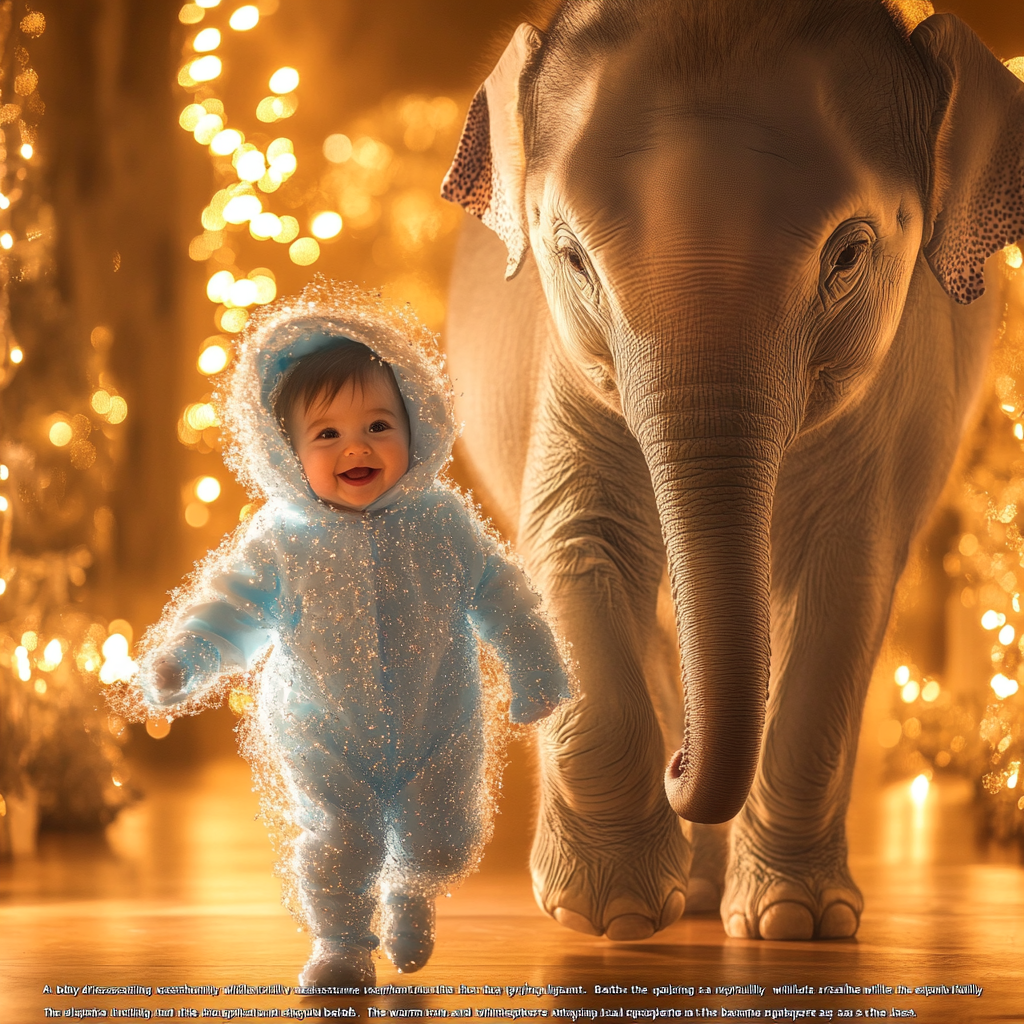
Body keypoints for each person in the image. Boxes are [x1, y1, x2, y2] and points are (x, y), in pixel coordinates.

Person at [131, 280, 573, 987]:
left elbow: (504, 596)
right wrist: (189, 655)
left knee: (443, 838)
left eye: (377, 425)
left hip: (439, 717)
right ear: (286, 452)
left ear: (415, 427)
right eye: (326, 434)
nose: (355, 448)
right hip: (320, 724)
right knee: (339, 837)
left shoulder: (443, 525)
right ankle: (339, 945)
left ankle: (410, 889)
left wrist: (535, 667)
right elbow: (230, 608)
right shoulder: (281, 542)